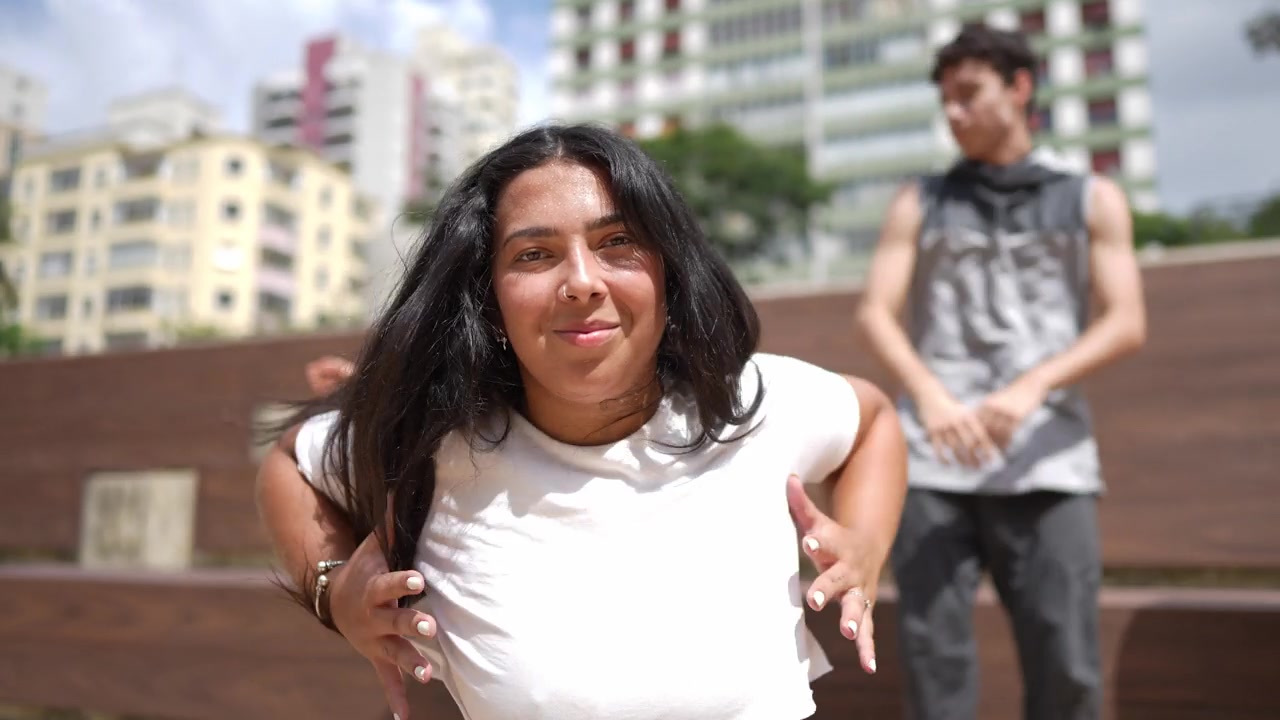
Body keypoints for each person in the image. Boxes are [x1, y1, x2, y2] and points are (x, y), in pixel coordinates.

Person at [256, 124, 908, 720]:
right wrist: (334, 591)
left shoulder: (750, 402)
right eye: (534, 255)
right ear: (489, 303)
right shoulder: (436, 442)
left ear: (669, 272)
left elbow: (874, 424)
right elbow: (290, 462)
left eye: (617, 242)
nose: (582, 281)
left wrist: (867, 546)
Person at [856, 25, 1147, 720]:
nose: (954, 113)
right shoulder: (919, 199)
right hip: (934, 461)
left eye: (969, 94)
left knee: (1068, 665)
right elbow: (874, 312)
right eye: (945, 101)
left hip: (1048, 457)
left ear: (1020, 88)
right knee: (934, 662)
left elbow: (1126, 321)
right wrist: (929, 397)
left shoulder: (1091, 197)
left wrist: (1032, 385)